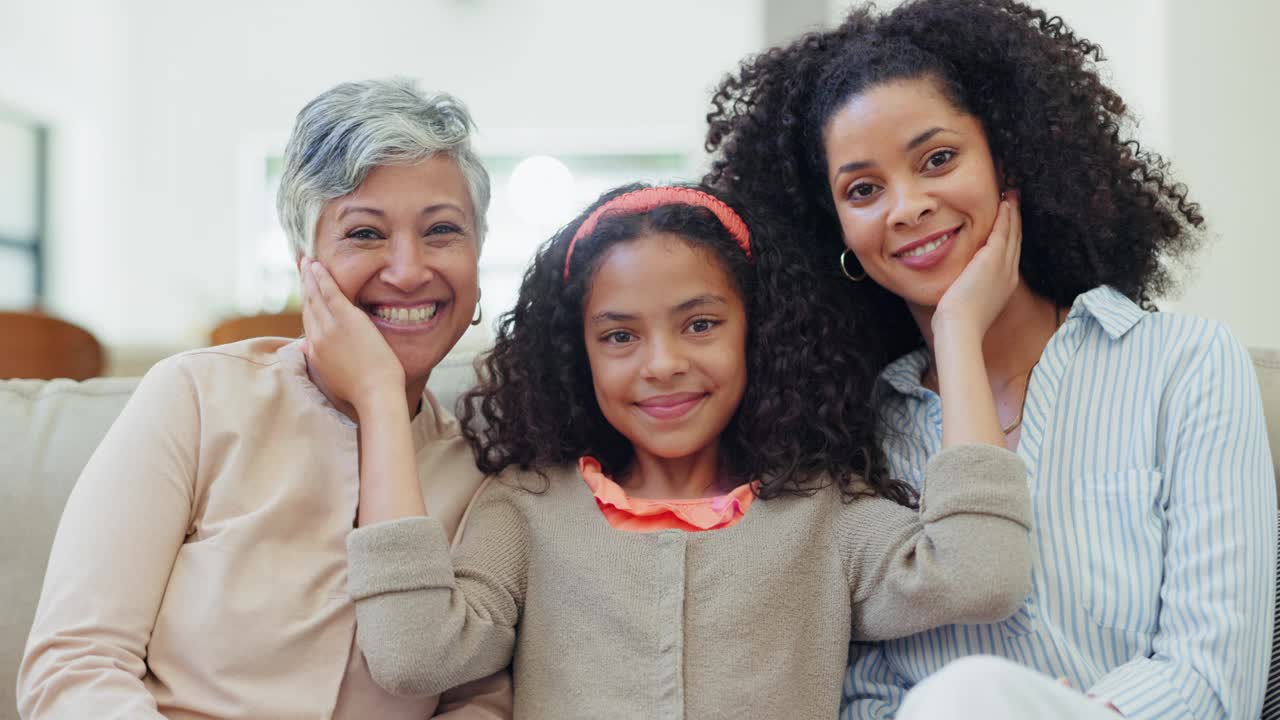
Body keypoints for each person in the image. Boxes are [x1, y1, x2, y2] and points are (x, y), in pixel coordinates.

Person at [702, 1, 1277, 718]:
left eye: (937, 159)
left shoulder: (1185, 365)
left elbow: (1214, 677)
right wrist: (956, 333)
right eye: (863, 189)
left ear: (1009, 159)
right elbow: (853, 697)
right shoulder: (843, 435)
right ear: (835, 229)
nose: (906, 207)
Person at [300, 181, 1036, 717]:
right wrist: (379, 400)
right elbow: (412, 652)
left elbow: (979, 573)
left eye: (700, 325)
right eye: (619, 336)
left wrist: (956, 329)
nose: (662, 364)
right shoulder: (529, 510)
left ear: (758, 333)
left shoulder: (824, 514)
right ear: (577, 356)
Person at [17, 78, 509, 719]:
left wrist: (380, 399)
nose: (409, 269)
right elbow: (74, 667)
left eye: (442, 230)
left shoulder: (490, 469)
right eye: (364, 234)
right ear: (304, 261)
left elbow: (483, 699)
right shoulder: (196, 398)